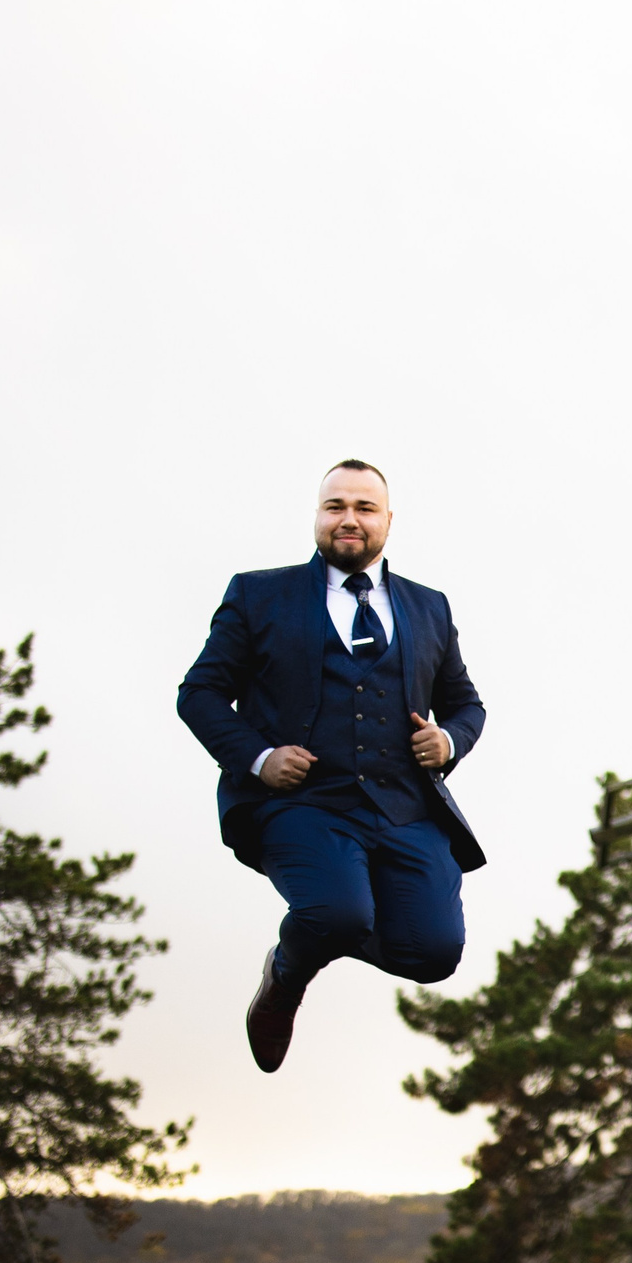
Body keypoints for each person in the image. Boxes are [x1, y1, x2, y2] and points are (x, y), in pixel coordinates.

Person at [175, 459, 486, 1073]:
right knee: (340, 914)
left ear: (388, 521)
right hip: (302, 803)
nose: (349, 519)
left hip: (403, 805)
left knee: (435, 954)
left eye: (364, 508)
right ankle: (286, 975)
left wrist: (448, 742)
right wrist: (259, 759)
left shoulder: (429, 607)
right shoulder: (257, 593)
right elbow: (200, 694)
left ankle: (333, 927)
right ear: (317, 516)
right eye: (334, 506)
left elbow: (465, 705)